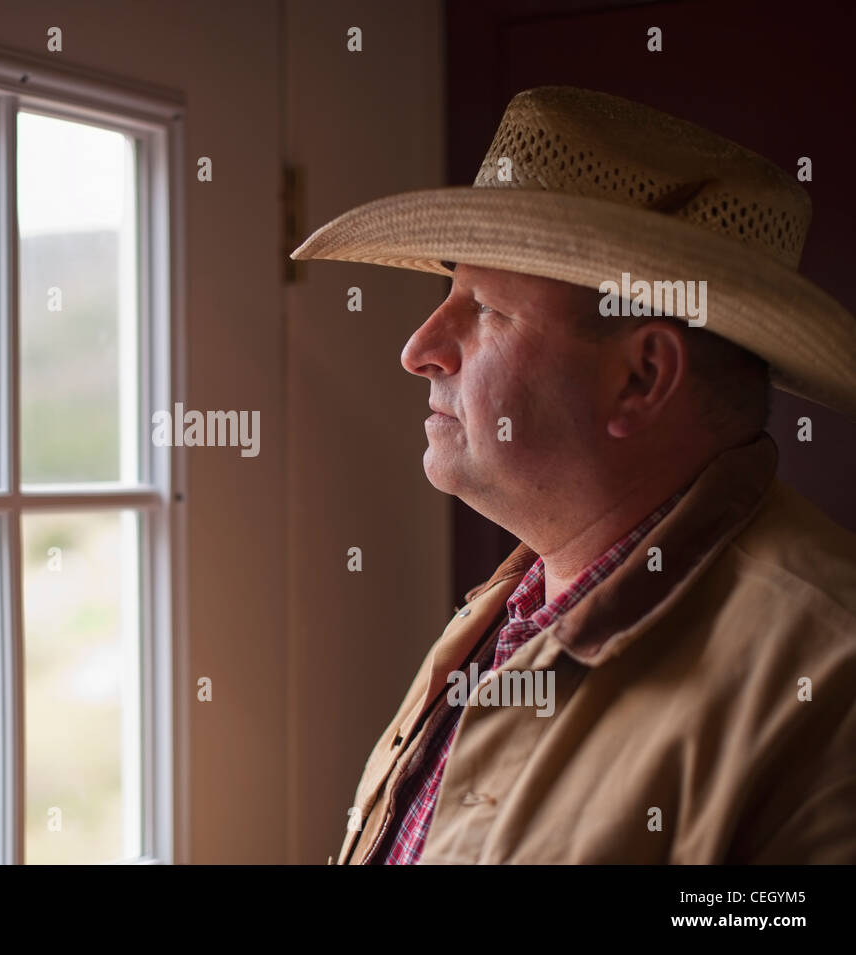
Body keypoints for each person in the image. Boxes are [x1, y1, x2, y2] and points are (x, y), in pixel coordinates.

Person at [291, 86, 856, 864]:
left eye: (486, 307)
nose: (419, 346)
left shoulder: (830, 675)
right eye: (448, 294)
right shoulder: (510, 607)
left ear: (642, 377)